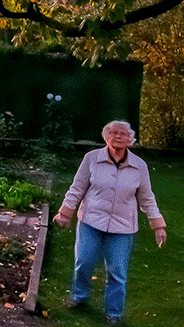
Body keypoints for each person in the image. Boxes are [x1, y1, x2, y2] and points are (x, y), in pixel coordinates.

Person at [52, 120, 167, 326]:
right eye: (113, 132)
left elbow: (147, 198)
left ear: (130, 140)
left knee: (117, 272)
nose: (118, 136)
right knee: (84, 262)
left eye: (123, 133)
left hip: (123, 227)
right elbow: (77, 187)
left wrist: (158, 224)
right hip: (90, 220)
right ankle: (79, 297)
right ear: (106, 137)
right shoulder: (91, 158)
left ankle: (114, 313)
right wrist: (65, 213)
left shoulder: (139, 166)